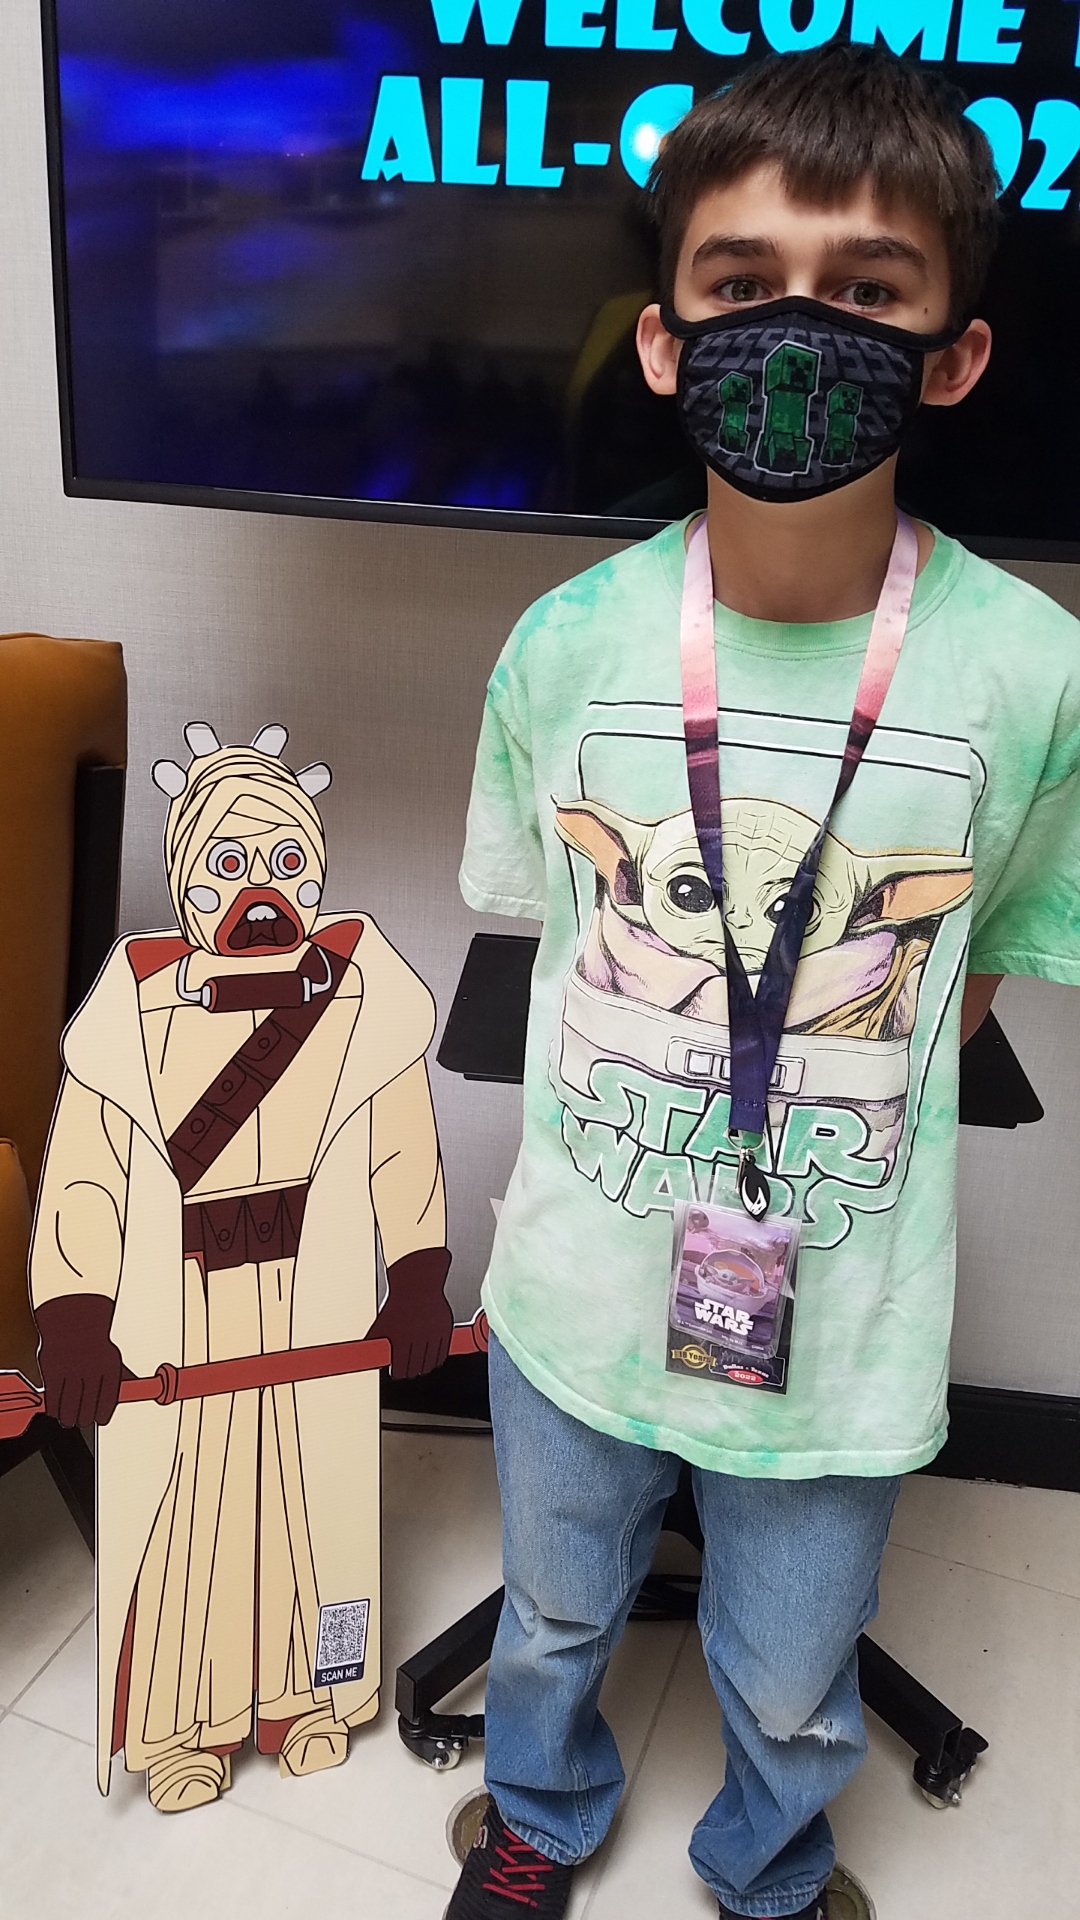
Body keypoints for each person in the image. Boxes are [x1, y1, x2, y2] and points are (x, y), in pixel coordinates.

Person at [447, 44, 1080, 1920]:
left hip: (848, 1323)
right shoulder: (563, 643)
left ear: (953, 353)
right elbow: (559, 926)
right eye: (741, 283)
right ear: (662, 338)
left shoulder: (1033, 672)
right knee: (553, 1607)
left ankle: (773, 1867)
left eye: (870, 290)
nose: (800, 328)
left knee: (799, 1666)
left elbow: (982, 958)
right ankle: (538, 1816)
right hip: (577, 1283)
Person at [31, 724, 454, 1810]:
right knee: (190, 1509)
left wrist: (415, 1274)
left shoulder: (365, 1009)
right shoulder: (128, 1026)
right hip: (178, 1307)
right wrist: (76, 1315)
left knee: (316, 1498)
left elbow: (401, 1147)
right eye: (229, 861)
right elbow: (86, 1176)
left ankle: (312, 1697)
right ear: (187, 881)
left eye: (285, 860)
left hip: (317, 1294)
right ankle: (186, 1725)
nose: (259, 888)